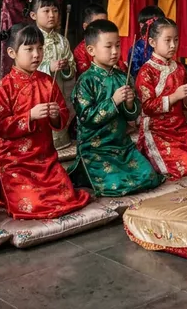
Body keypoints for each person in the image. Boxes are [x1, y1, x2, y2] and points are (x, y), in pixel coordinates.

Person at [0, 24, 91, 219]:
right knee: (31, 204)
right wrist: (29, 116)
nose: (36, 54)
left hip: (45, 159)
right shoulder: (4, 87)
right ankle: (4, 186)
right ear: (12, 52)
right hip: (17, 162)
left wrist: (56, 114)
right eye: (29, 49)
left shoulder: (48, 81)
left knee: (66, 194)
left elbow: (63, 115)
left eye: (40, 48)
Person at [69, 19, 163, 196]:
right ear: (91, 50)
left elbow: (132, 113)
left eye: (118, 46)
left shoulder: (122, 76)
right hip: (96, 147)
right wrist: (113, 101)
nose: (115, 52)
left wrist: (128, 103)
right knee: (116, 184)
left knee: (148, 176)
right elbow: (86, 117)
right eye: (108, 46)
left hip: (121, 145)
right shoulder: (86, 81)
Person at [135, 17, 187, 180]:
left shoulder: (180, 68)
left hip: (180, 127)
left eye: (176, 40)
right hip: (157, 130)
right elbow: (148, 107)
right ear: (153, 42)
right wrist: (175, 96)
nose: (173, 45)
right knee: (185, 165)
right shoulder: (146, 72)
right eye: (167, 40)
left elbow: (185, 105)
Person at [31, 0, 75, 149]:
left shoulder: (62, 40)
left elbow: (72, 67)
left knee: (56, 111)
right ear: (33, 15)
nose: (51, 15)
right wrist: (48, 67)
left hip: (58, 90)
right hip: (36, 92)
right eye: (46, 11)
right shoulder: (30, 39)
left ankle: (59, 140)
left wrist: (66, 67)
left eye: (55, 11)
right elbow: (25, 67)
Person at [126, 5, 164, 81]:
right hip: (144, 82)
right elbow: (135, 72)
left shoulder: (163, 43)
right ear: (141, 25)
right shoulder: (136, 49)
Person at [74, 3, 107, 76]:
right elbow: (86, 76)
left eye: (105, 24)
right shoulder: (80, 50)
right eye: (96, 24)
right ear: (85, 26)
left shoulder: (110, 44)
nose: (102, 28)